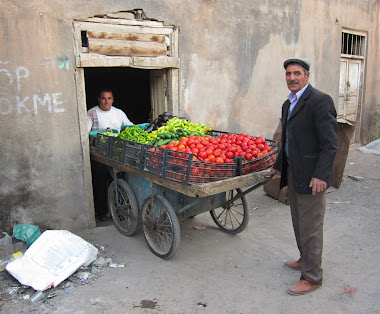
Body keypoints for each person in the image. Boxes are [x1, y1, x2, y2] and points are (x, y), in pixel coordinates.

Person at [270, 57, 338, 295]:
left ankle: (312, 276)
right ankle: (304, 259)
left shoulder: (320, 101)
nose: (292, 78)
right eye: (288, 74)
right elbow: (286, 140)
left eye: (297, 73)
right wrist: (279, 166)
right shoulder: (288, 104)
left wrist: (321, 175)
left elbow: (330, 144)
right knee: (299, 223)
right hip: (295, 174)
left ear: (307, 76)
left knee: (311, 227)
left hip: (312, 178)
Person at [87, 88, 133, 221]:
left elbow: (129, 125)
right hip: (98, 154)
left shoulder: (118, 113)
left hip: (116, 154)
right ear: (99, 99)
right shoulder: (92, 113)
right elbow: (85, 132)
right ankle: (101, 213)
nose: (106, 101)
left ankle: (120, 212)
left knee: (117, 182)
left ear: (113, 99)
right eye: (103, 98)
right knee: (100, 184)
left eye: (109, 98)